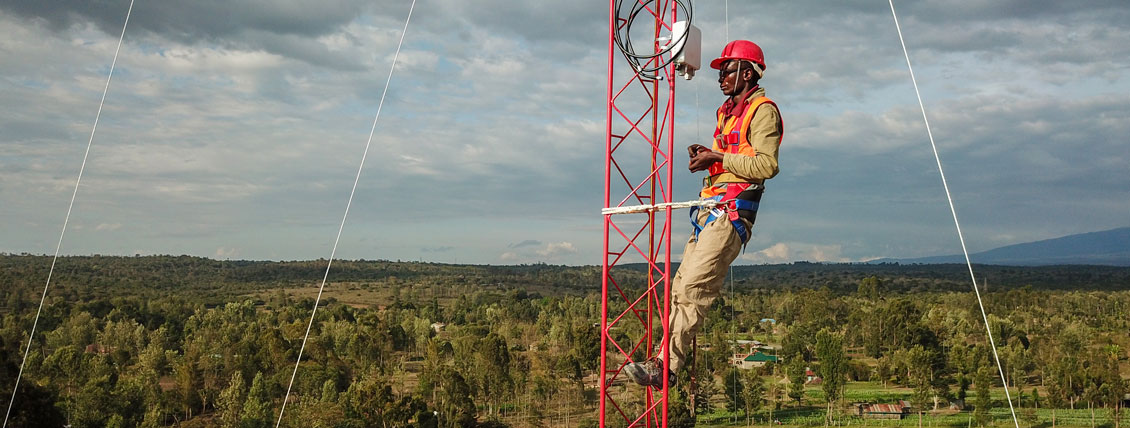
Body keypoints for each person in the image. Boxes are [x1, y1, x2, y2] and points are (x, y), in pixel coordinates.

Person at [625, 39, 783, 388]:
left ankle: (664, 368)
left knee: (694, 286)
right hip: (710, 210)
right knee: (679, 287)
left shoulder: (763, 110)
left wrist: (717, 158)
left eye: (727, 70)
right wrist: (708, 157)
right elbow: (730, 158)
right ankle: (663, 362)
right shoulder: (727, 112)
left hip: (733, 212)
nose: (720, 77)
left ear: (747, 71)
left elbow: (766, 164)